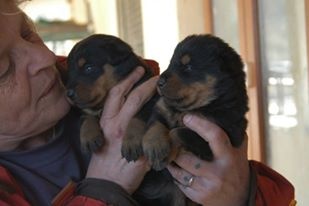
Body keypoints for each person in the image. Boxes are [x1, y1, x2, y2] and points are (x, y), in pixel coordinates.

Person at [0, 0, 295, 205]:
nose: (45, 58)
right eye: (3, 68)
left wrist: (242, 195)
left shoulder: (124, 86)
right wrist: (103, 189)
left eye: (28, 32)